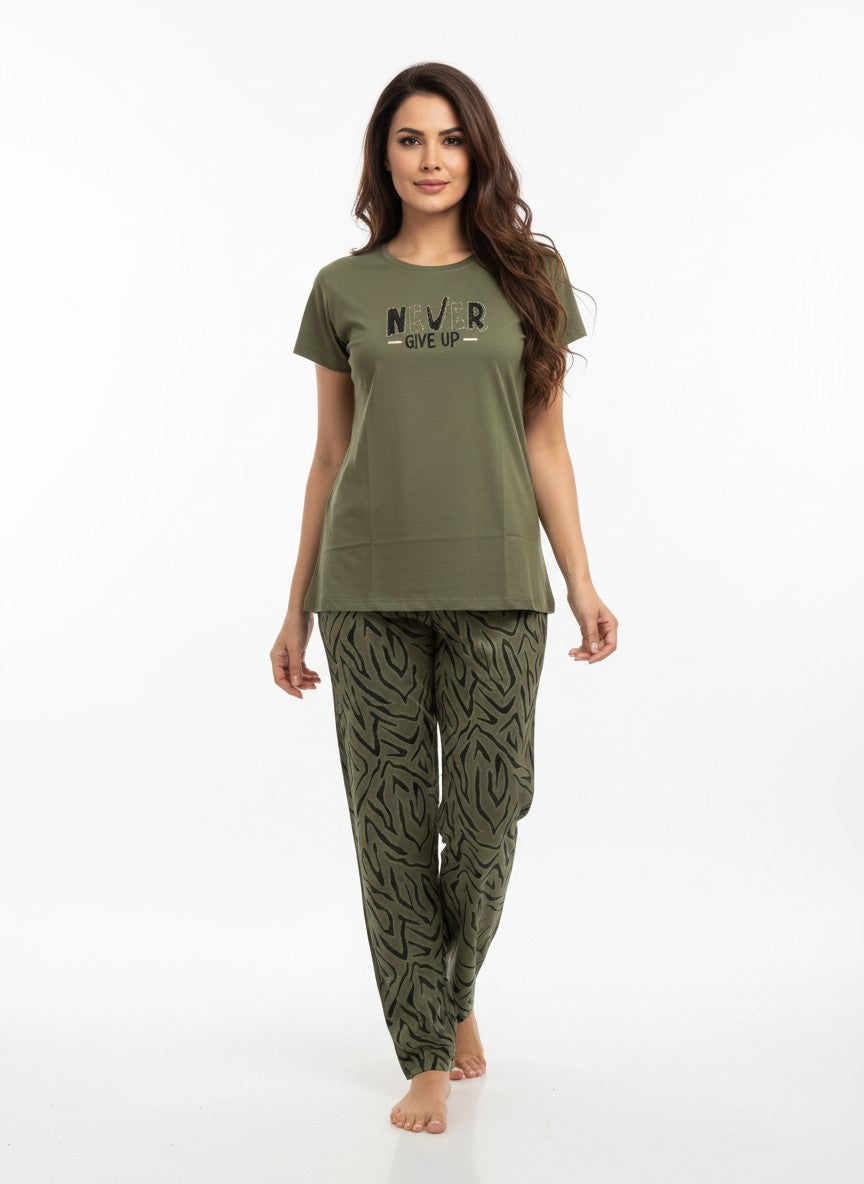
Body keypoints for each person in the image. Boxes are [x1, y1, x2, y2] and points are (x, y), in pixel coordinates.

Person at [270, 61, 618, 1135]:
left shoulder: (531, 277)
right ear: (384, 157)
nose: (431, 159)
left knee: (486, 812)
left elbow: (545, 443)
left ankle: (453, 984)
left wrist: (582, 579)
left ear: (479, 153)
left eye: (451, 138)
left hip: (501, 587)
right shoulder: (343, 287)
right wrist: (294, 606)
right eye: (411, 139)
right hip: (366, 590)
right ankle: (425, 1047)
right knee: (389, 828)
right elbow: (329, 456)